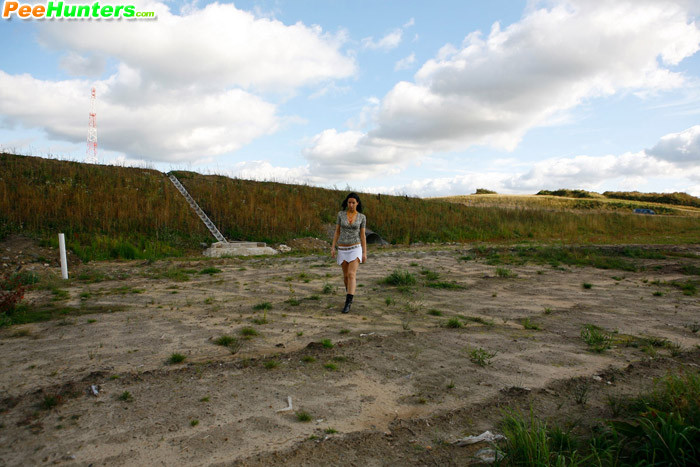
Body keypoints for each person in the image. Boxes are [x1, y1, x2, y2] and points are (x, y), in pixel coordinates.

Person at [330, 192, 367, 313]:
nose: (351, 205)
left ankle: (348, 302)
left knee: (351, 274)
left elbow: (362, 236)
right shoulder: (340, 215)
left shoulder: (362, 217)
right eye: (349, 202)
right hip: (343, 248)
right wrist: (333, 247)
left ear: (357, 203)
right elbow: (337, 231)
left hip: (355, 247)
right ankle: (349, 292)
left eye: (353, 203)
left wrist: (364, 252)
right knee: (346, 276)